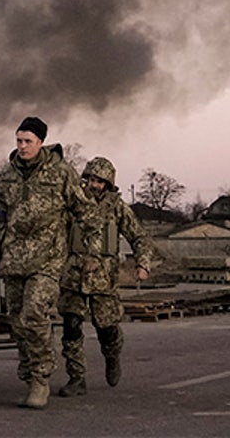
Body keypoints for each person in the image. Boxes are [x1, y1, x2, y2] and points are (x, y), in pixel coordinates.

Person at [0, 115, 90, 409]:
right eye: (18, 141)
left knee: (34, 314)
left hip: (47, 260)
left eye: (28, 141)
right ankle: (30, 375)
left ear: (41, 142)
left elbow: (84, 212)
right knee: (19, 324)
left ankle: (40, 379)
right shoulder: (6, 177)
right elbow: (1, 221)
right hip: (13, 260)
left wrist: (91, 253)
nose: (22, 146)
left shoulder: (61, 173)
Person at [57, 156, 154, 397]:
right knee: (71, 327)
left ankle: (112, 357)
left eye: (100, 181)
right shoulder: (74, 203)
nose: (94, 185)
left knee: (107, 328)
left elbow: (139, 237)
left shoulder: (117, 209)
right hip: (73, 275)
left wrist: (142, 264)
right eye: (90, 179)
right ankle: (76, 377)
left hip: (104, 279)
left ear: (108, 184)